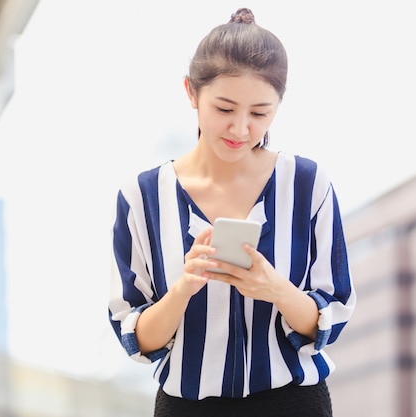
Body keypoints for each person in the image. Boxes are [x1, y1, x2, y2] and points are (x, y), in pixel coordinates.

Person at [108, 7, 356, 417]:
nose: (241, 129)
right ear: (191, 92)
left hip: (294, 403)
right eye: (224, 109)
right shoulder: (143, 196)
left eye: (260, 113)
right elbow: (138, 337)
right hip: (187, 406)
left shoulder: (308, 184)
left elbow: (329, 319)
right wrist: (183, 290)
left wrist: (274, 287)